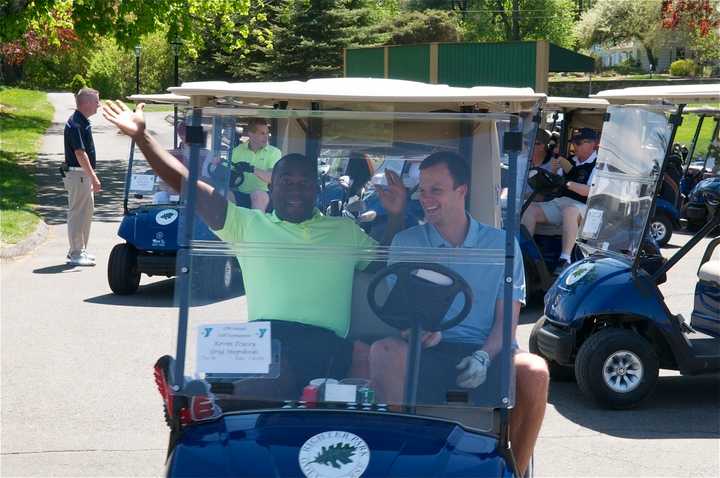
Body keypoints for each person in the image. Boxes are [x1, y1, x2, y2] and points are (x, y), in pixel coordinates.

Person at [101, 100, 407, 397]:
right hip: (262, 336)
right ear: (272, 188)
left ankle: (204, 402)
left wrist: (395, 216)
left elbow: (384, 263)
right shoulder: (247, 225)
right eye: (287, 182)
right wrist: (142, 138)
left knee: (282, 369)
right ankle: (210, 401)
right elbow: (187, 184)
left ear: (316, 189)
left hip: (322, 341)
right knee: (251, 360)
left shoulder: (344, 231)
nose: (296, 190)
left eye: (305, 183)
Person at [369, 151, 549, 477]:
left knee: (535, 371)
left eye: (435, 190)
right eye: (422, 191)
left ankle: (515, 470)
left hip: (486, 349)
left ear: (461, 190)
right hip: (428, 347)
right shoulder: (406, 242)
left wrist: (483, 355)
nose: (425, 199)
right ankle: (399, 460)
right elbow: (398, 315)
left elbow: (506, 320)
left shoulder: (501, 245)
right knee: (383, 351)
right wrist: (415, 332)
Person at [521, 127, 599, 274]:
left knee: (569, 211)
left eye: (579, 143)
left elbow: (590, 191)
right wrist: (554, 172)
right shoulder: (570, 161)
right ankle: (526, 255)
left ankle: (565, 259)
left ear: (592, 144)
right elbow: (556, 187)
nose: (575, 146)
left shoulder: (598, 164)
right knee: (530, 209)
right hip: (561, 201)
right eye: (574, 143)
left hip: (586, 206)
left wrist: (566, 182)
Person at [62, 88, 102, 266]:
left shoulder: (82, 121)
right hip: (78, 174)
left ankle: (80, 250)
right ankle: (76, 253)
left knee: (86, 212)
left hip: (82, 175)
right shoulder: (75, 123)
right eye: (96, 101)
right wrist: (93, 176)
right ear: (85, 103)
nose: (98, 105)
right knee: (78, 213)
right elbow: (80, 153)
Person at [230, 118, 282, 211]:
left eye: (267, 133)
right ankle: (230, 225)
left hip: (264, 195)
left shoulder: (274, 152)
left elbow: (272, 178)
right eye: (262, 133)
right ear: (251, 134)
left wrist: (252, 169)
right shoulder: (237, 151)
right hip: (242, 193)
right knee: (225, 194)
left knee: (258, 195)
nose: (266, 137)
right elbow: (228, 175)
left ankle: (256, 225)